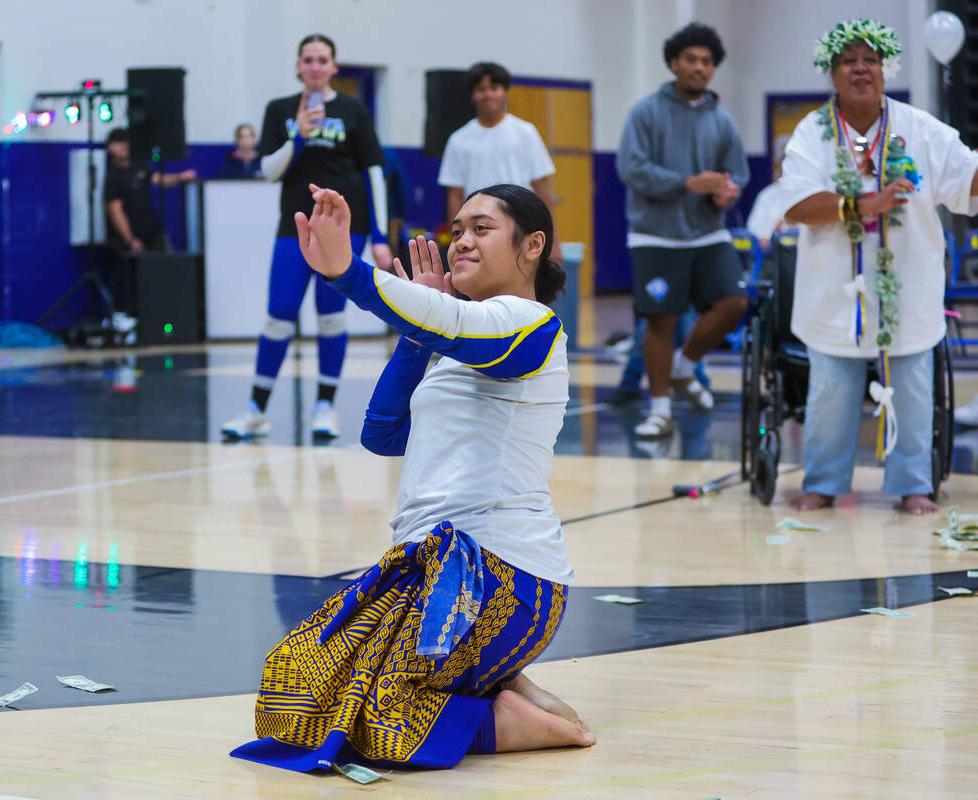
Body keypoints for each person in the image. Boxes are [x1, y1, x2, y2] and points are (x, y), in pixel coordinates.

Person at [230, 182, 595, 772]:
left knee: (380, 725)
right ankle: (493, 681)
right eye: (459, 229)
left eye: (482, 228)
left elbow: (449, 321)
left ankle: (507, 720)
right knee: (291, 689)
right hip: (428, 568)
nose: (462, 241)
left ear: (532, 246)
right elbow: (382, 432)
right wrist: (416, 329)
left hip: (502, 574)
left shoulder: (529, 324)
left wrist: (348, 273)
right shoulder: (460, 343)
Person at [780, 19, 978, 515]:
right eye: (849, 61)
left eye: (869, 59)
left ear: (885, 68)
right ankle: (823, 482)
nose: (861, 68)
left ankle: (913, 484)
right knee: (829, 394)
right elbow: (799, 204)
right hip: (834, 290)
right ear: (833, 72)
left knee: (913, 391)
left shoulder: (920, 128)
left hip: (906, 286)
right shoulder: (812, 132)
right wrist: (868, 203)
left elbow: (967, 180)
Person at [221, 33, 390, 441]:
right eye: (308, 60)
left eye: (323, 60)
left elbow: (373, 172)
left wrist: (382, 234)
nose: (315, 66)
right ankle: (255, 410)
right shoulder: (278, 110)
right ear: (298, 67)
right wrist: (296, 135)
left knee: (330, 315)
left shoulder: (353, 110)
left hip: (345, 227)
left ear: (333, 66)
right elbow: (269, 170)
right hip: (294, 226)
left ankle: (325, 407)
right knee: (279, 314)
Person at [616, 22, 749, 439]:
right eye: (691, 59)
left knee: (734, 304)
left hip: (708, 233)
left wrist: (725, 193)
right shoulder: (646, 112)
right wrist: (685, 183)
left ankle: (684, 367)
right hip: (655, 234)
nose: (699, 67)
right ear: (674, 63)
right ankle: (659, 410)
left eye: (707, 61)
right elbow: (631, 169)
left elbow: (737, 175)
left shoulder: (722, 120)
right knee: (660, 323)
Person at [437, 62, 561, 262]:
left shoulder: (525, 133)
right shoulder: (458, 140)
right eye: (481, 89)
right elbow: (454, 196)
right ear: (473, 95)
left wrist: (554, 241)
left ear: (504, 92)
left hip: (521, 228)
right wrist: (456, 239)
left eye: (494, 88)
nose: (488, 95)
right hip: (478, 233)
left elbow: (543, 190)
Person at [103, 127, 197, 316]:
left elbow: (159, 179)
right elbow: (115, 211)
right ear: (109, 148)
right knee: (130, 282)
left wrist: (179, 177)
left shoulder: (140, 166)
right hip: (126, 241)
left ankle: (168, 317)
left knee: (166, 270)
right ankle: (131, 317)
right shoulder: (112, 177)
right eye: (118, 143)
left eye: (126, 142)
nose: (124, 146)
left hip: (152, 233)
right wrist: (130, 240)